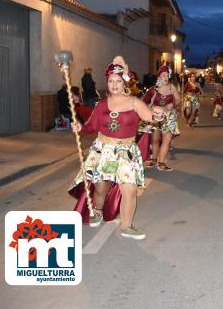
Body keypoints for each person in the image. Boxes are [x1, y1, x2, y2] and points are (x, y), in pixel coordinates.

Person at [68, 56, 164, 240]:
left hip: (126, 153)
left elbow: (151, 116)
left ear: (124, 82)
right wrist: (80, 128)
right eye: (111, 81)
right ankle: (97, 210)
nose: (114, 84)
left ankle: (127, 226)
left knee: (129, 189)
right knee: (100, 188)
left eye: (118, 81)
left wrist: (158, 114)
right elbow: (91, 127)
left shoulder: (135, 102)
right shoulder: (101, 105)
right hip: (103, 151)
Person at [141, 66, 180, 171]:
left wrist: (172, 104)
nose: (165, 77)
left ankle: (161, 162)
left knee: (167, 140)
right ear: (159, 77)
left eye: (167, 75)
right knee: (155, 139)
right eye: (163, 75)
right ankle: (154, 159)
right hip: (156, 117)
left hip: (169, 117)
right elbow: (143, 102)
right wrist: (153, 107)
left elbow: (178, 100)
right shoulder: (154, 89)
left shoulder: (172, 87)